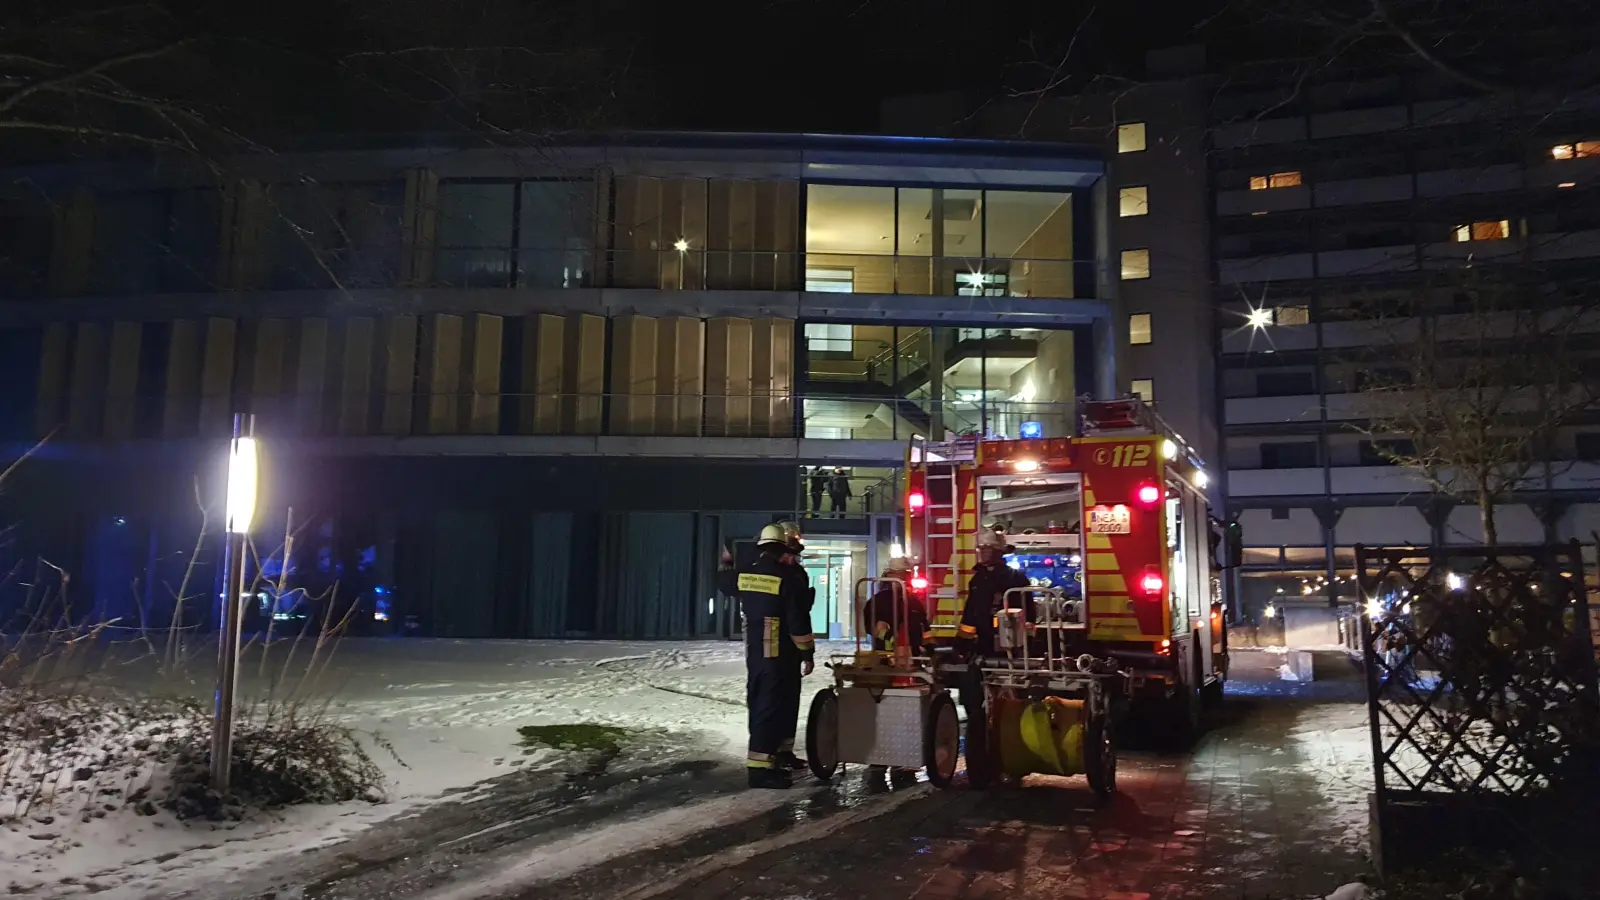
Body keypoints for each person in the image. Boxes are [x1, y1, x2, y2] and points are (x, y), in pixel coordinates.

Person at [718, 522, 815, 789]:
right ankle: (760, 768)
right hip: (780, 652)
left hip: (759, 653)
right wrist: (807, 652)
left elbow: (723, 581)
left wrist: (726, 562)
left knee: (775, 703)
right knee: (769, 706)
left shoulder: (747, 574)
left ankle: (779, 754)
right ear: (782, 548)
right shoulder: (787, 578)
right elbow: (798, 620)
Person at [860, 557, 928, 655]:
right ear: (889, 575)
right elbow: (871, 627)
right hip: (885, 656)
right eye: (898, 574)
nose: (901, 578)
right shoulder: (878, 601)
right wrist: (890, 638)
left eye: (903, 574)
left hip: (912, 655)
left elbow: (923, 628)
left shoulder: (914, 602)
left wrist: (929, 649)